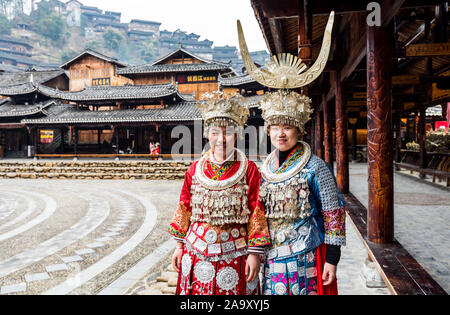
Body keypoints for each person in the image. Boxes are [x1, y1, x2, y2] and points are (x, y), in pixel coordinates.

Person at [168, 90, 270, 295]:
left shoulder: (249, 170)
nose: (221, 139)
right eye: (215, 132)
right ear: (207, 134)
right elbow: (184, 207)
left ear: (238, 134)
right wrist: (179, 246)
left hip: (236, 253)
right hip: (195, 252)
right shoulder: (194, 169)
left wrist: (254, 254)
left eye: (228, 132)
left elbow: (256, 212)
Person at [258, 90, 345, 295]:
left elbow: (334, 214)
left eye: (287, 127)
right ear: (268, 131)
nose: (281, 134)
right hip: (272, 258)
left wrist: (332, 260)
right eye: (275, 128)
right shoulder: (265, 170)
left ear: (299, 131)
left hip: (307, 257)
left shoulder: (316, 168)